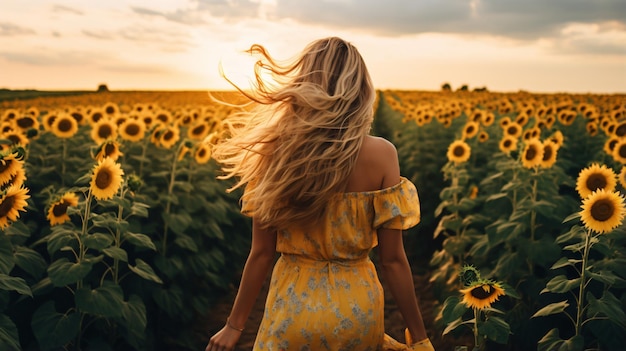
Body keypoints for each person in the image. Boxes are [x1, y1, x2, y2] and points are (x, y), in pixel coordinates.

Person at [206, 37, 434, 351]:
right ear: (361, 89)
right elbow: (393, 261)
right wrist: (419, 337)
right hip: (357, 313)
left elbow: (260, 253)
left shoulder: (276, 154)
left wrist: (234, 326)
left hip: (292, 310)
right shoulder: (383, 155)